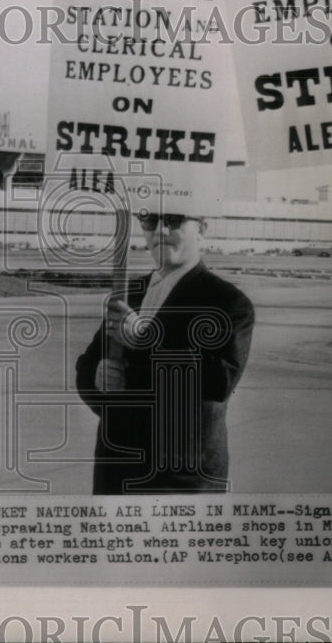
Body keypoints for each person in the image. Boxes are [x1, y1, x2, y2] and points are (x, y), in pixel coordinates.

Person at [75, 211, 254, 494]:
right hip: (116, 468)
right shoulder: (129, 291)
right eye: (149, 221)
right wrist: (101, 383)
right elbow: (86, 366)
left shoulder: (228, 302)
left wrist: (144, 340)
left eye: (172, 220)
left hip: (182, 478)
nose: (159, 231)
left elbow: (219, 381)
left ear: (201, 229)